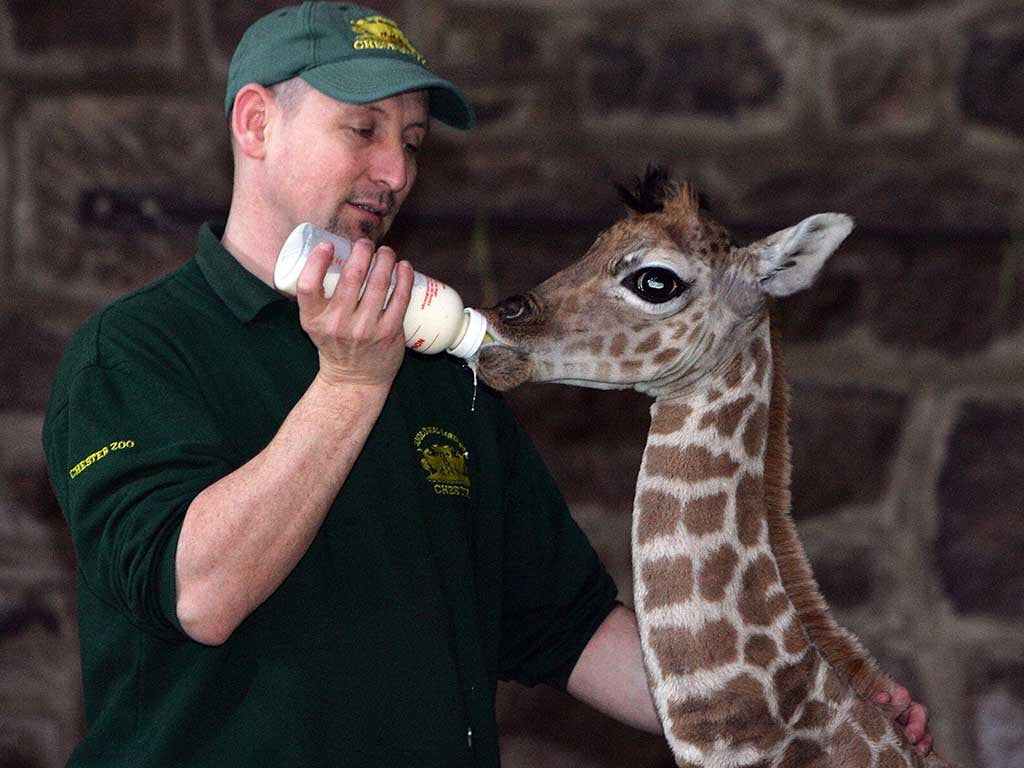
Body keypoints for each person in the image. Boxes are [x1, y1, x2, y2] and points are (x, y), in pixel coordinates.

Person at [42, 2, 933, 765]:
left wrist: (810, 714)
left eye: (413, 141)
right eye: (363, 129)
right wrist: (352, 385)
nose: (395, 172)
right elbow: (197, 594)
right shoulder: (134, 352)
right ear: (255, 123)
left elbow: (570, 627)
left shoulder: (442, 377)